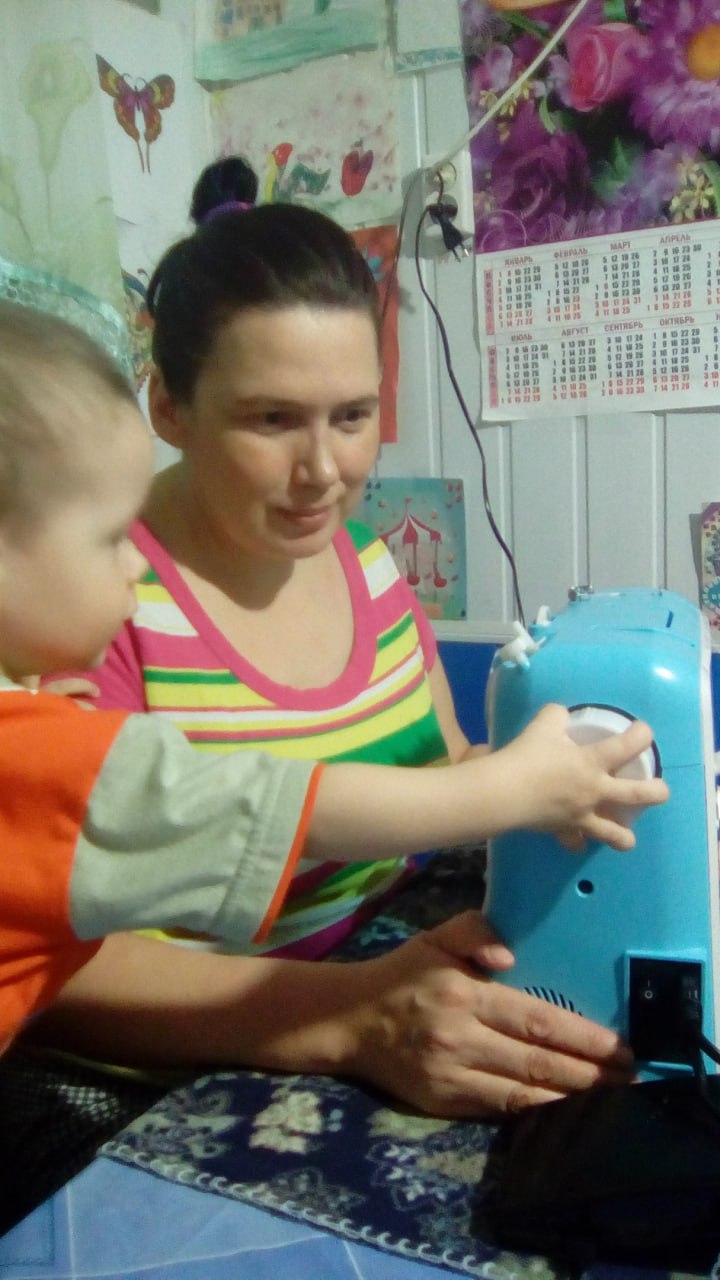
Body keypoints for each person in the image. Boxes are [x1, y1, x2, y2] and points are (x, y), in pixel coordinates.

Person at [24, 159, 665, 1127]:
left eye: (354, 415)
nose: (324, 470)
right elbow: (46, 966)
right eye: (272, 419)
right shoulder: (83, 603)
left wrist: (594, 791)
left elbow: (447, 767)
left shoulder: (362, 557)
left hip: (392, 968)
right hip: (204, 1064)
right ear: (168, 407)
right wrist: (353, 1018)